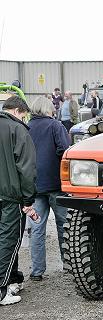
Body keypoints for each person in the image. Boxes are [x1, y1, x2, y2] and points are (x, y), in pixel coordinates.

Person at [28, 96, 70, 281]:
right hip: (55, 184)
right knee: (64, 225)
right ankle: (68, 265)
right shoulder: (55, 126)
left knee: (36, 229)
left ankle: (37, 272)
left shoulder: (25, 127)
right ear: (48, 109)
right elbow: (66, 149)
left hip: (34, 186)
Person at [0, 96, 37, 306]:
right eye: (24, 115)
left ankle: (11, 280)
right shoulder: (18, 129)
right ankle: (1, 289)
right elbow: (27, 169)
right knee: (9, 240)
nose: (25, 119)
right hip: (11, 196)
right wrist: (28, 199)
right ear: (17, 111)